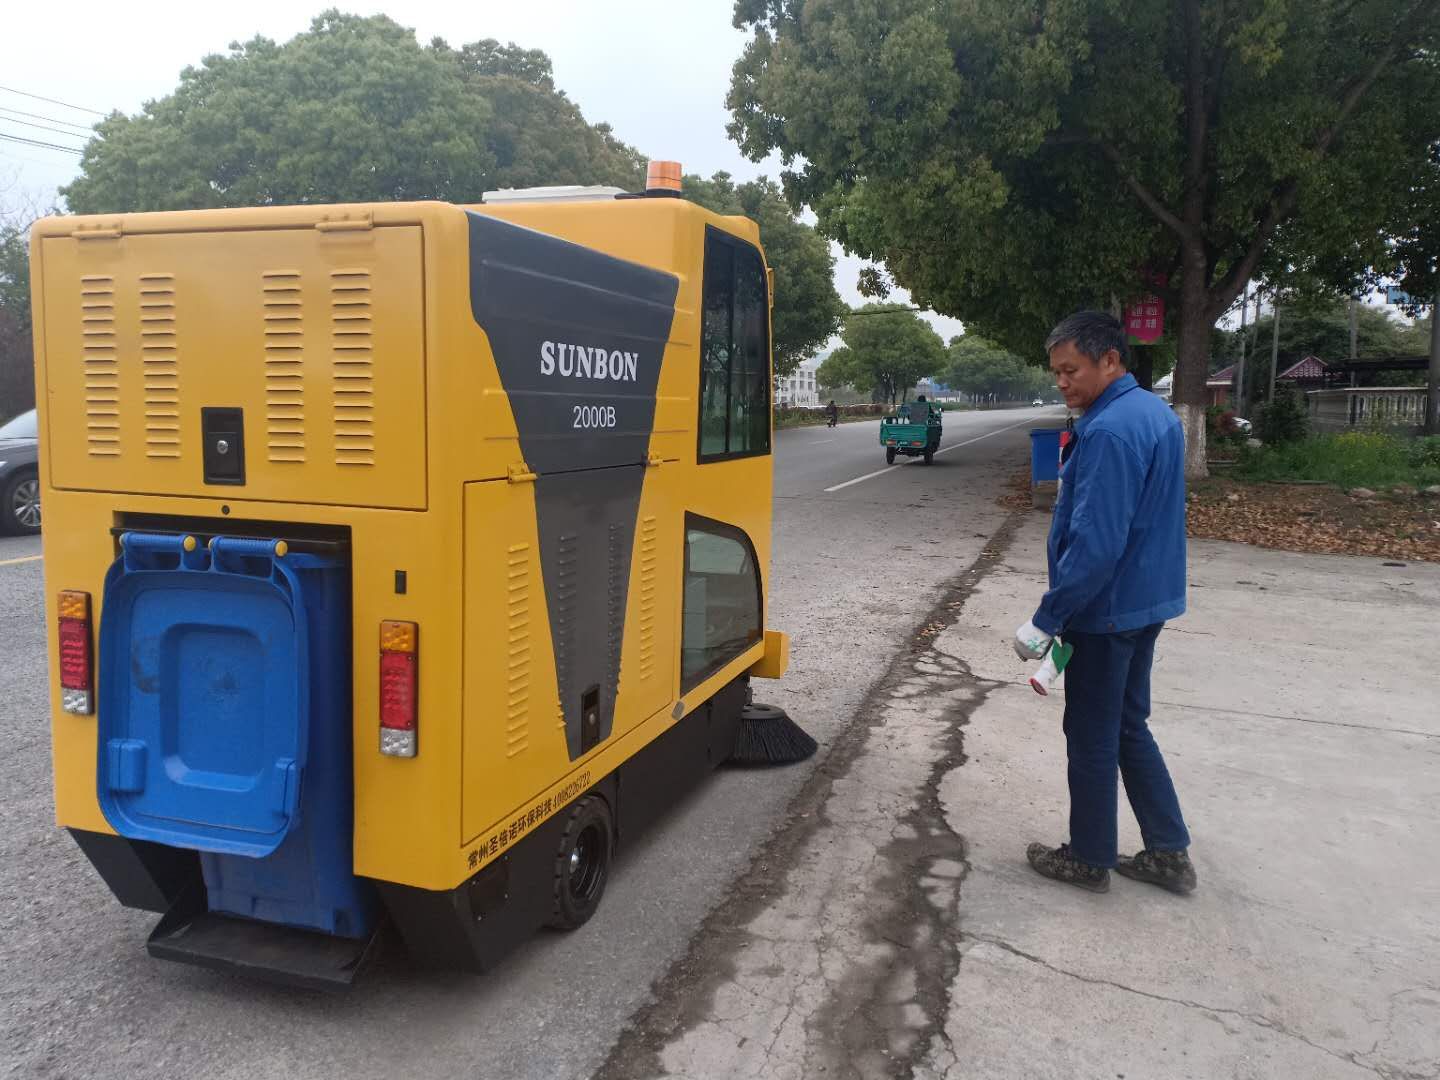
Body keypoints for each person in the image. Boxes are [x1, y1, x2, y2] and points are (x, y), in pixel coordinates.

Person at [1013, 311, 1196, 895]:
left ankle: (1090, 857)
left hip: (1107, 607)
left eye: (1072, 370)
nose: (1062, 383)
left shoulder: (1109, 430)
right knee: (1125, 726)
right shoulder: (1153, 415)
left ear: (1110, 360)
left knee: (1091, 733)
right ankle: (1169, 852)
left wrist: (1048, 617)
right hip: (1145, 602)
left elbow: (1095, 545)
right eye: (1057, 373)